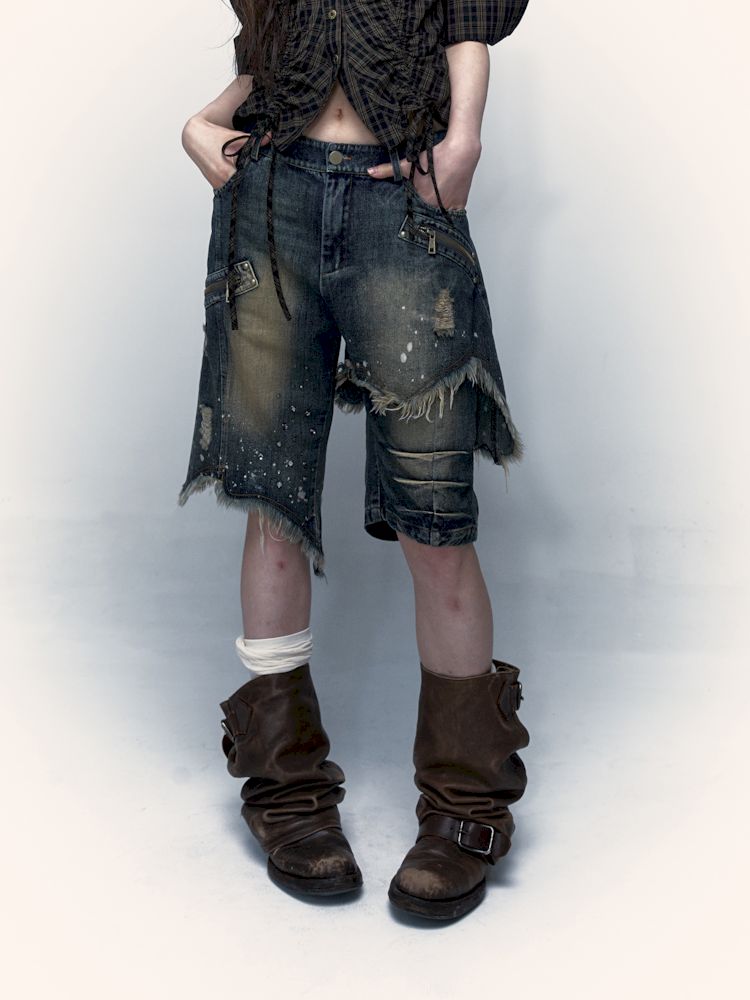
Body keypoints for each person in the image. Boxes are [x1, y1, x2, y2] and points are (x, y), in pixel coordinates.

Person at [179, 0, 532, 921]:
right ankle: (286, 787)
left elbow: (468, 12)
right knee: (276, 503)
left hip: (401, 197)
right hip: (272, 200)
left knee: (433, 514)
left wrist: (465, 135)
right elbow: (277, 48)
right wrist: (200, 123)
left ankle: (464, 801)